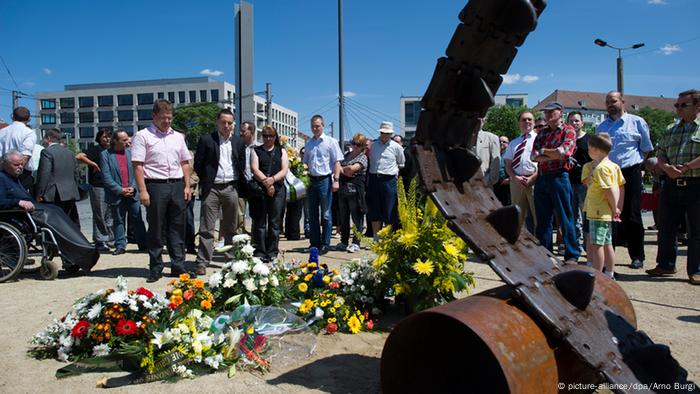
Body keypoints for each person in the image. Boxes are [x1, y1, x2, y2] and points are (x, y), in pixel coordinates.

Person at [131, 99, 195, 282]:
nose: (167, 122)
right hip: (155, 186)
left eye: (169, 118)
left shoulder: (178, 136)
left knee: (178, 227)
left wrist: (187, 185)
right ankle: (156, 266)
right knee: (156, 227)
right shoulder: (142, 136)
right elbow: (137, 165)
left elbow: (185, 162)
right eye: (163, 118)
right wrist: (142, 191)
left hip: (176, 185)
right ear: (154, 116)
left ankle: (178, 265)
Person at [646, 89, 700, 285]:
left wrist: (686, 168)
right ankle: (666, 264)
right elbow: (660, 152)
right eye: (677, 105)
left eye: (683, 105)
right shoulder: (671, 129)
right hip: (671, 183)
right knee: (666, 227)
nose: (678, 108)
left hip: (696, 184)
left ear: (697, 106)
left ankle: (696, 270)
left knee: (696, 230)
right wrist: (666, 167)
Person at [596, 91, 653, 269]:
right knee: (608, 215)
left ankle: (637, 256)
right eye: (607, 102)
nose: (610, 104)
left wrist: (638, 168)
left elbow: (645, 148)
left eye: (613, 101)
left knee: (633, 215)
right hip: (609, 174)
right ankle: (608, 257)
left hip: (631, 172)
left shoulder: (637, 122)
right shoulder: (601, 127)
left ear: (622, 101)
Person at [193, 109, 244, 275]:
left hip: (231, 187)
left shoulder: (238, 142)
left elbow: (241, 163)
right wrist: (206, 180)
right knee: (207, 227)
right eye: (224, 122)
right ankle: (202, 261)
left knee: (231, 227)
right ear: (217, 122)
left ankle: (230, 259)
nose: (227, 126)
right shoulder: (207, 140)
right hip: (212, 188)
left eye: (230, 123)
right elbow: (198, 164)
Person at [530, 101, 580, 263]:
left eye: (552, 112)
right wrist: (553, 153)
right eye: (546, 112)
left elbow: (565, 152)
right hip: (543, 176)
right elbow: (533, 156)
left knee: (565, 216)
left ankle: (572, 254)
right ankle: (545, 254)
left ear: (560, 112)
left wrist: (544, 152)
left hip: (560, 176)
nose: (548, 114)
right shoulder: (542, 133)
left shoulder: (568, 130)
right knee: (543, 220)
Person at [581, 133, 624, 278]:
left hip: (598, 212)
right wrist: (615, 207)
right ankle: (609, 272)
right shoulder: (613, 166)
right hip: (604, 211)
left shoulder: (600, 169)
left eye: (589, 148)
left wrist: (614, 207)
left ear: (596, 149)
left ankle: (597, 275)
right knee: (607, 243)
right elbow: (618, 186)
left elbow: (609, 189)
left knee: (596, 245)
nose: (588, 151)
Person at [100, 130, 147, 255]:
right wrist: (120, 190)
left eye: (128, 139)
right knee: (118, 220)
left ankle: (143, 244)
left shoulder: (131, 153)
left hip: (132, 192)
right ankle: (120, 245)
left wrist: (133, 187)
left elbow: (138, 172)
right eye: (124, 140)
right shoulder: (105, 155)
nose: (128, 142)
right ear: (115, 141)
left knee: (137, 218)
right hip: (116, 194)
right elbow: (106, 176)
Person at [303, 115, 343, 254]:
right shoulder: (309, 144)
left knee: (326, 214)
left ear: (323, 126)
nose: (315, 128)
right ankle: (314, 243)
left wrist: (336, 180)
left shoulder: (331, 142)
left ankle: (325, 243)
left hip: (325, 180)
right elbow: (305, 163)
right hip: (311, 180)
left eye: (317, 126)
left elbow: (337, 161)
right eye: (313, 126)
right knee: (312, 215)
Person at [250, 125, 289, 262]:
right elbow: (254, 169)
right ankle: (260, 250)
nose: (268, 138)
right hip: (260, 190)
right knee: (260, 222)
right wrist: (266, 182)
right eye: (265, 136)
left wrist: (272, 180)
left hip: (278, 189)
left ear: (275, 137)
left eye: (271, 136)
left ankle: (272, 250)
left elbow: (285, 169)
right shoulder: (256, 150)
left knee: (274, 222)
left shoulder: (281, 151)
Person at [76, 128, 114, 252]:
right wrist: (93, 164)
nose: (107, 139)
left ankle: (110, 238)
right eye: (104, 137)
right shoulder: (96, 149)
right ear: (99, 138)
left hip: (112, 185)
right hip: (98, 185)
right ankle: (100, 240)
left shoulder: (114, 150)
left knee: (110, 214)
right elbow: (79, 156)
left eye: (109, 136)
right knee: (100, 214)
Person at [35, 129, 81, 227]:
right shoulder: (70, 153)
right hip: (70, 192)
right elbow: (76, 173)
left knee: (55, 223)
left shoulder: (46, 152)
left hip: (54, 193)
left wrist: (39, 193)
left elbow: (44, 174)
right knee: (68, 221)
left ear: (48, 138)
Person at [368, 121, 405, 238]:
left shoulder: (397, 147)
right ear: (380, 132)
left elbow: (401, 163)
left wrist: (393, 174)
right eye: (383, 132)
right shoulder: (373, 146)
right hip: (374, 178)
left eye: (388, 133)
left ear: (391, 134)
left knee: (390, 209)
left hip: (389, 180)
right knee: (374, 209)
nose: (385, 135)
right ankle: (376, 236)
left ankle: (388, 237)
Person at [504, 111, 538, 233]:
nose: (527, 122)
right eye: (524, 119)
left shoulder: (539, 140)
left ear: (534, 122)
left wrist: (532, 178)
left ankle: (539, 245)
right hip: (516, 182)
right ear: (519, 123)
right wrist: (515, 178)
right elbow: (508, 165)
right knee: (517, 216)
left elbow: (544, 164)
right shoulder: (513, 143)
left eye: (529, 119)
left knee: (537, 216)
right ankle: (519, 245)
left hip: (535, 181)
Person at [338, 133, 368, 252]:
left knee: (357, 217)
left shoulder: (363, 157)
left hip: (356, 190)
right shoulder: (346, 155)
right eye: (353, 142)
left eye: (358, 144)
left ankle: (356, 242)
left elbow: (352, 169)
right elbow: (341, 168)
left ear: (362, 146)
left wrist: (342, 169)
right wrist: (344, 170)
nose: (355, 146)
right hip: (343, 189)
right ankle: (344, 241)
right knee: (343, 217)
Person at [568, 111, 591, 252]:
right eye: (571, 121)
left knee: (585, 215)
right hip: (569, 182)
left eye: (576, 121)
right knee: (572, 215)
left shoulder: (589, 139)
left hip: (585, 183)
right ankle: (575, 244)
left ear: (582, 123)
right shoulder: (567, 139)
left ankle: (587, 244)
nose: (574, 123)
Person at [0, 106, 37, 194]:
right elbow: (25, 156)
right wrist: (15, 174)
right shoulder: (28, 132)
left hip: (3, 170)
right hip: (21, 174)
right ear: (29, 119)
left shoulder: (2, 132)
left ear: (12, 117)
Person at [237, 121, 257, 235]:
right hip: (241, 184)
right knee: (239, 215)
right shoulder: (238, 147)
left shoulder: (259, 148)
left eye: (244, 131)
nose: (241, 133)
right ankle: (241, 240)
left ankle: (256, 240)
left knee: (256, 215)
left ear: (251, 132)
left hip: (255, 184)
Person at [473, 118, 501, 188]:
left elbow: (495, 162)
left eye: (480, 119)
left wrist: (488, 181)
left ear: (484, 121)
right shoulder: (463, 136)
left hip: (484, 184)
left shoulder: (492, 138)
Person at [494, 135, 511, 206]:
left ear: (508, 144)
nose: (501, 143)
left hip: (507, 183)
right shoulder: (495, 153)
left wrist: (509, 179)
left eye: (504, 142)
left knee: (506, 204)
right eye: (500, 141)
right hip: (496, 182)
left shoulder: (510, 153)